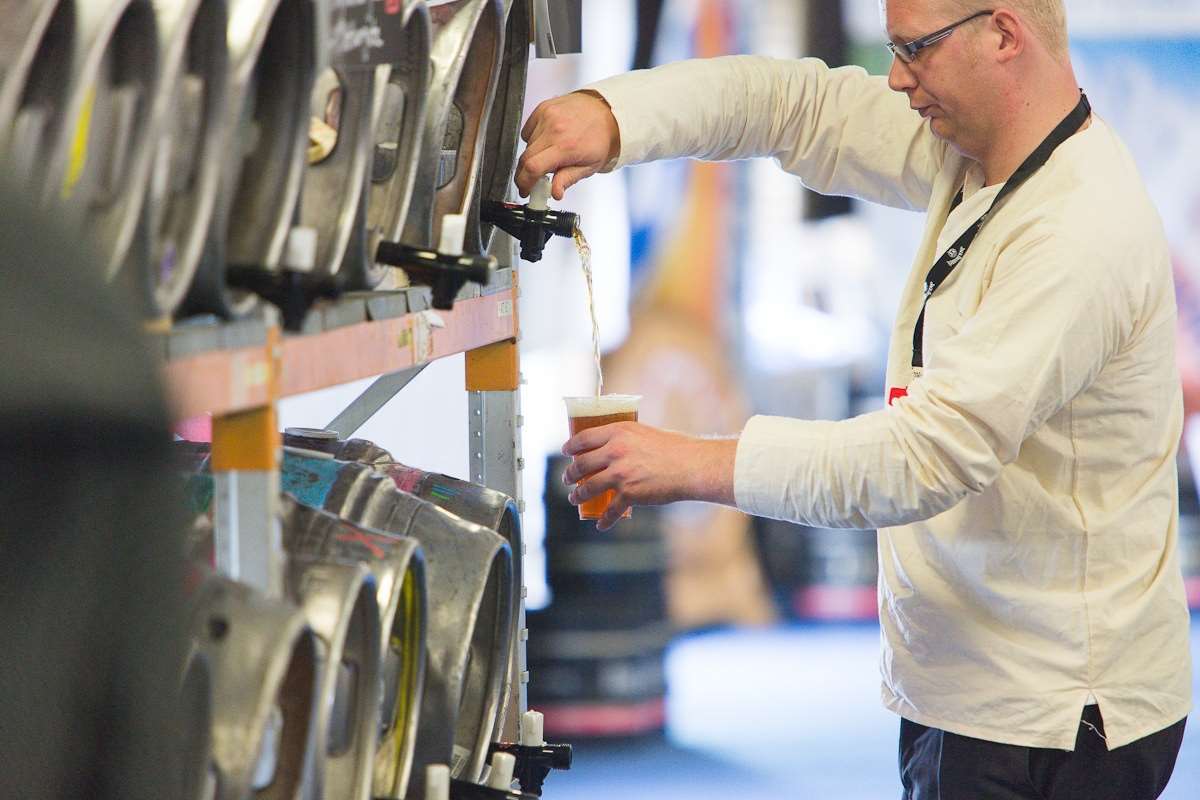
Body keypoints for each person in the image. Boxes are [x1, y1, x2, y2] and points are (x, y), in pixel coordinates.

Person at [515, 2, 1193, 798]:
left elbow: (921, 460)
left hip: (1050, 718)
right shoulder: (979, 151)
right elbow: (790, 106)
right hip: (978, 684)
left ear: (1003, 36)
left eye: (916, 51)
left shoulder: (1076, 230)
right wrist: (614, 115)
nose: (897, 78)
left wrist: (691, 463)